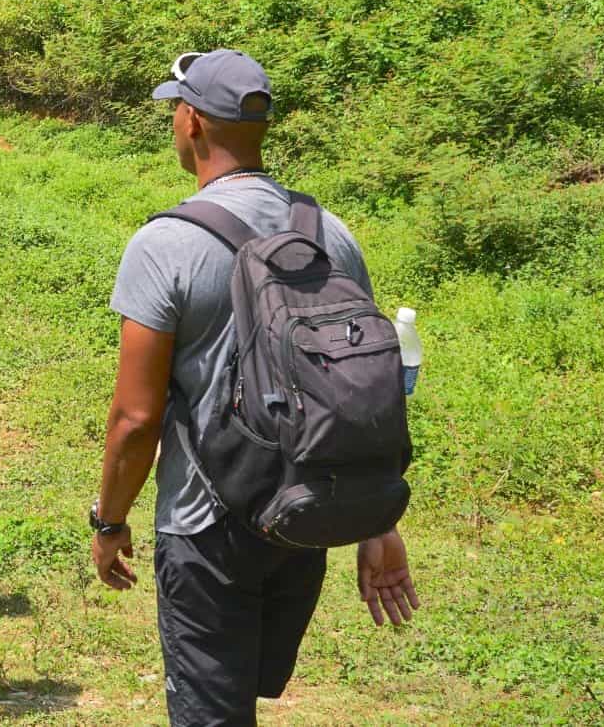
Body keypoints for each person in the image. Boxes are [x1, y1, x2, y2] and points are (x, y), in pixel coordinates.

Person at [92, 49, 418, 727]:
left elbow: (134, 417)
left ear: (191, 122)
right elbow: (363, 395)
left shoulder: (165, 244)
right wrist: (375, 522)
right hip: (304, 516)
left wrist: (110, 519)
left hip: (205, 527)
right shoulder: (331, 233)